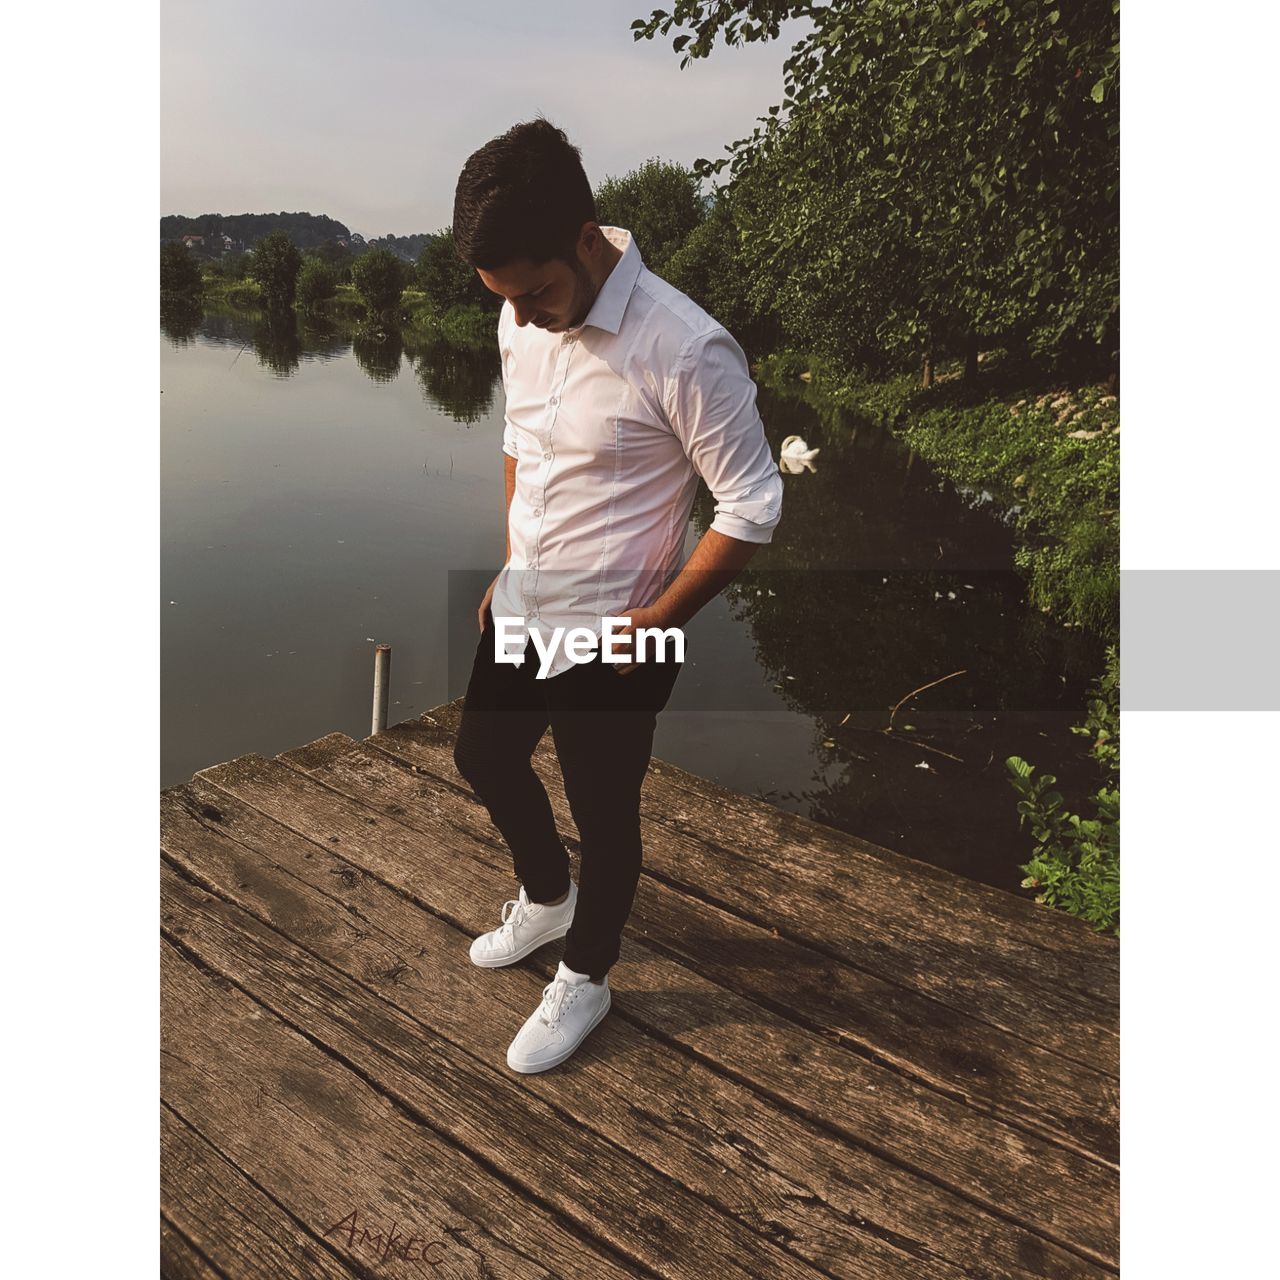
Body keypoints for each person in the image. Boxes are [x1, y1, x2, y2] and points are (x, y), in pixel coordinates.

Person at [450, 117, 783, 1074]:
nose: (524, 318)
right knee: (483, 754)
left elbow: (754, 502)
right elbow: (523, 444)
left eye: (538, 292)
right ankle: (547, 898)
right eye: (505, 301)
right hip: (524, 604)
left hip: (620, 629)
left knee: (605, 809)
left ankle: (588, 975)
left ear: (588, 237)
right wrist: (510, 559)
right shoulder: (522, 317)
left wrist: (662, 619)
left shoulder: (685, 347)